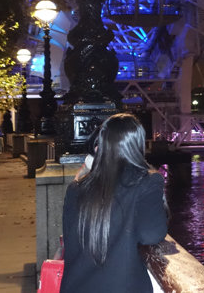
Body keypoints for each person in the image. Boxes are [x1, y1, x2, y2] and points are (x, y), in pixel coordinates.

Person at [60, 113, 168, 293]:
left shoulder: (76, 187)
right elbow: (151, 235)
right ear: (137, 143)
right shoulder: (146, 182)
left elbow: (70, 238)